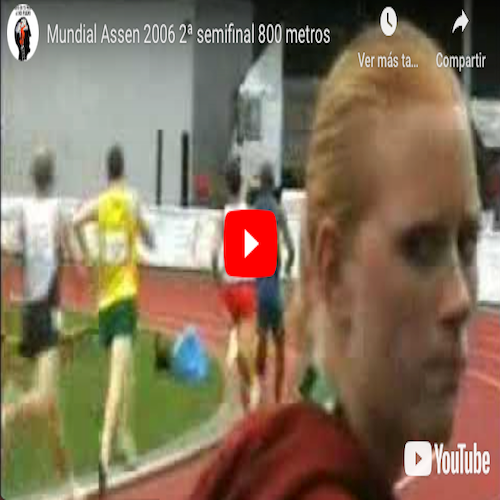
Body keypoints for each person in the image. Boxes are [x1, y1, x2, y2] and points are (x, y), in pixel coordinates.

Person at [189, 20, 481, 500]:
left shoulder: (262, 459)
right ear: (331, 268)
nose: (461, 299)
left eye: (467, 244)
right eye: (420, 247)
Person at [72, 144, 154, 495]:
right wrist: (146, 235)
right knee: (118, 381)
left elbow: (74, 221)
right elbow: (150, 237)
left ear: (107, 170)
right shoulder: (132, 200)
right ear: (124, 169)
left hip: (104, 305)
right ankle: (105, 450)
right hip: (123, 302)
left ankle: (125, 441)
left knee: (128, 375)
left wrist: (86, 256)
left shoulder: (100, 204)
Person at [1, 148, 82, 498]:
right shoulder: (58, 212)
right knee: (44, 399)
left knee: (52, 414)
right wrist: (81, 268)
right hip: (47, 314)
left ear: (33, 178)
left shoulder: (22, 211)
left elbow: (7, 252)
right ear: (53, 177)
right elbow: (76, 257)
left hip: (29, 314)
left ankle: (71, 485)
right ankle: (7, 414)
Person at [211, 160, 260, 412]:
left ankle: (250, 394)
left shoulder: (224, 217)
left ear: (225, 186)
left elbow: (213, 255)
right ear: (240, 185)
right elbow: (259, 254)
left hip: (231, 288)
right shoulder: (248, 214)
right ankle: (252, 390)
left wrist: (217, 281)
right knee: (243, 347)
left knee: (241, 347)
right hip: (245, 287)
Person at [252, 164, 295, 405]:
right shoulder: (278, 211)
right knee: (280, 346)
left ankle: (259, 391)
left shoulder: (253, 209)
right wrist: (287, 267)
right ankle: (277, 398)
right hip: (275, 287)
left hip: (260, 287)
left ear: (261, 183)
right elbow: (291, 249)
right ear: (273, 183)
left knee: (260, 339)